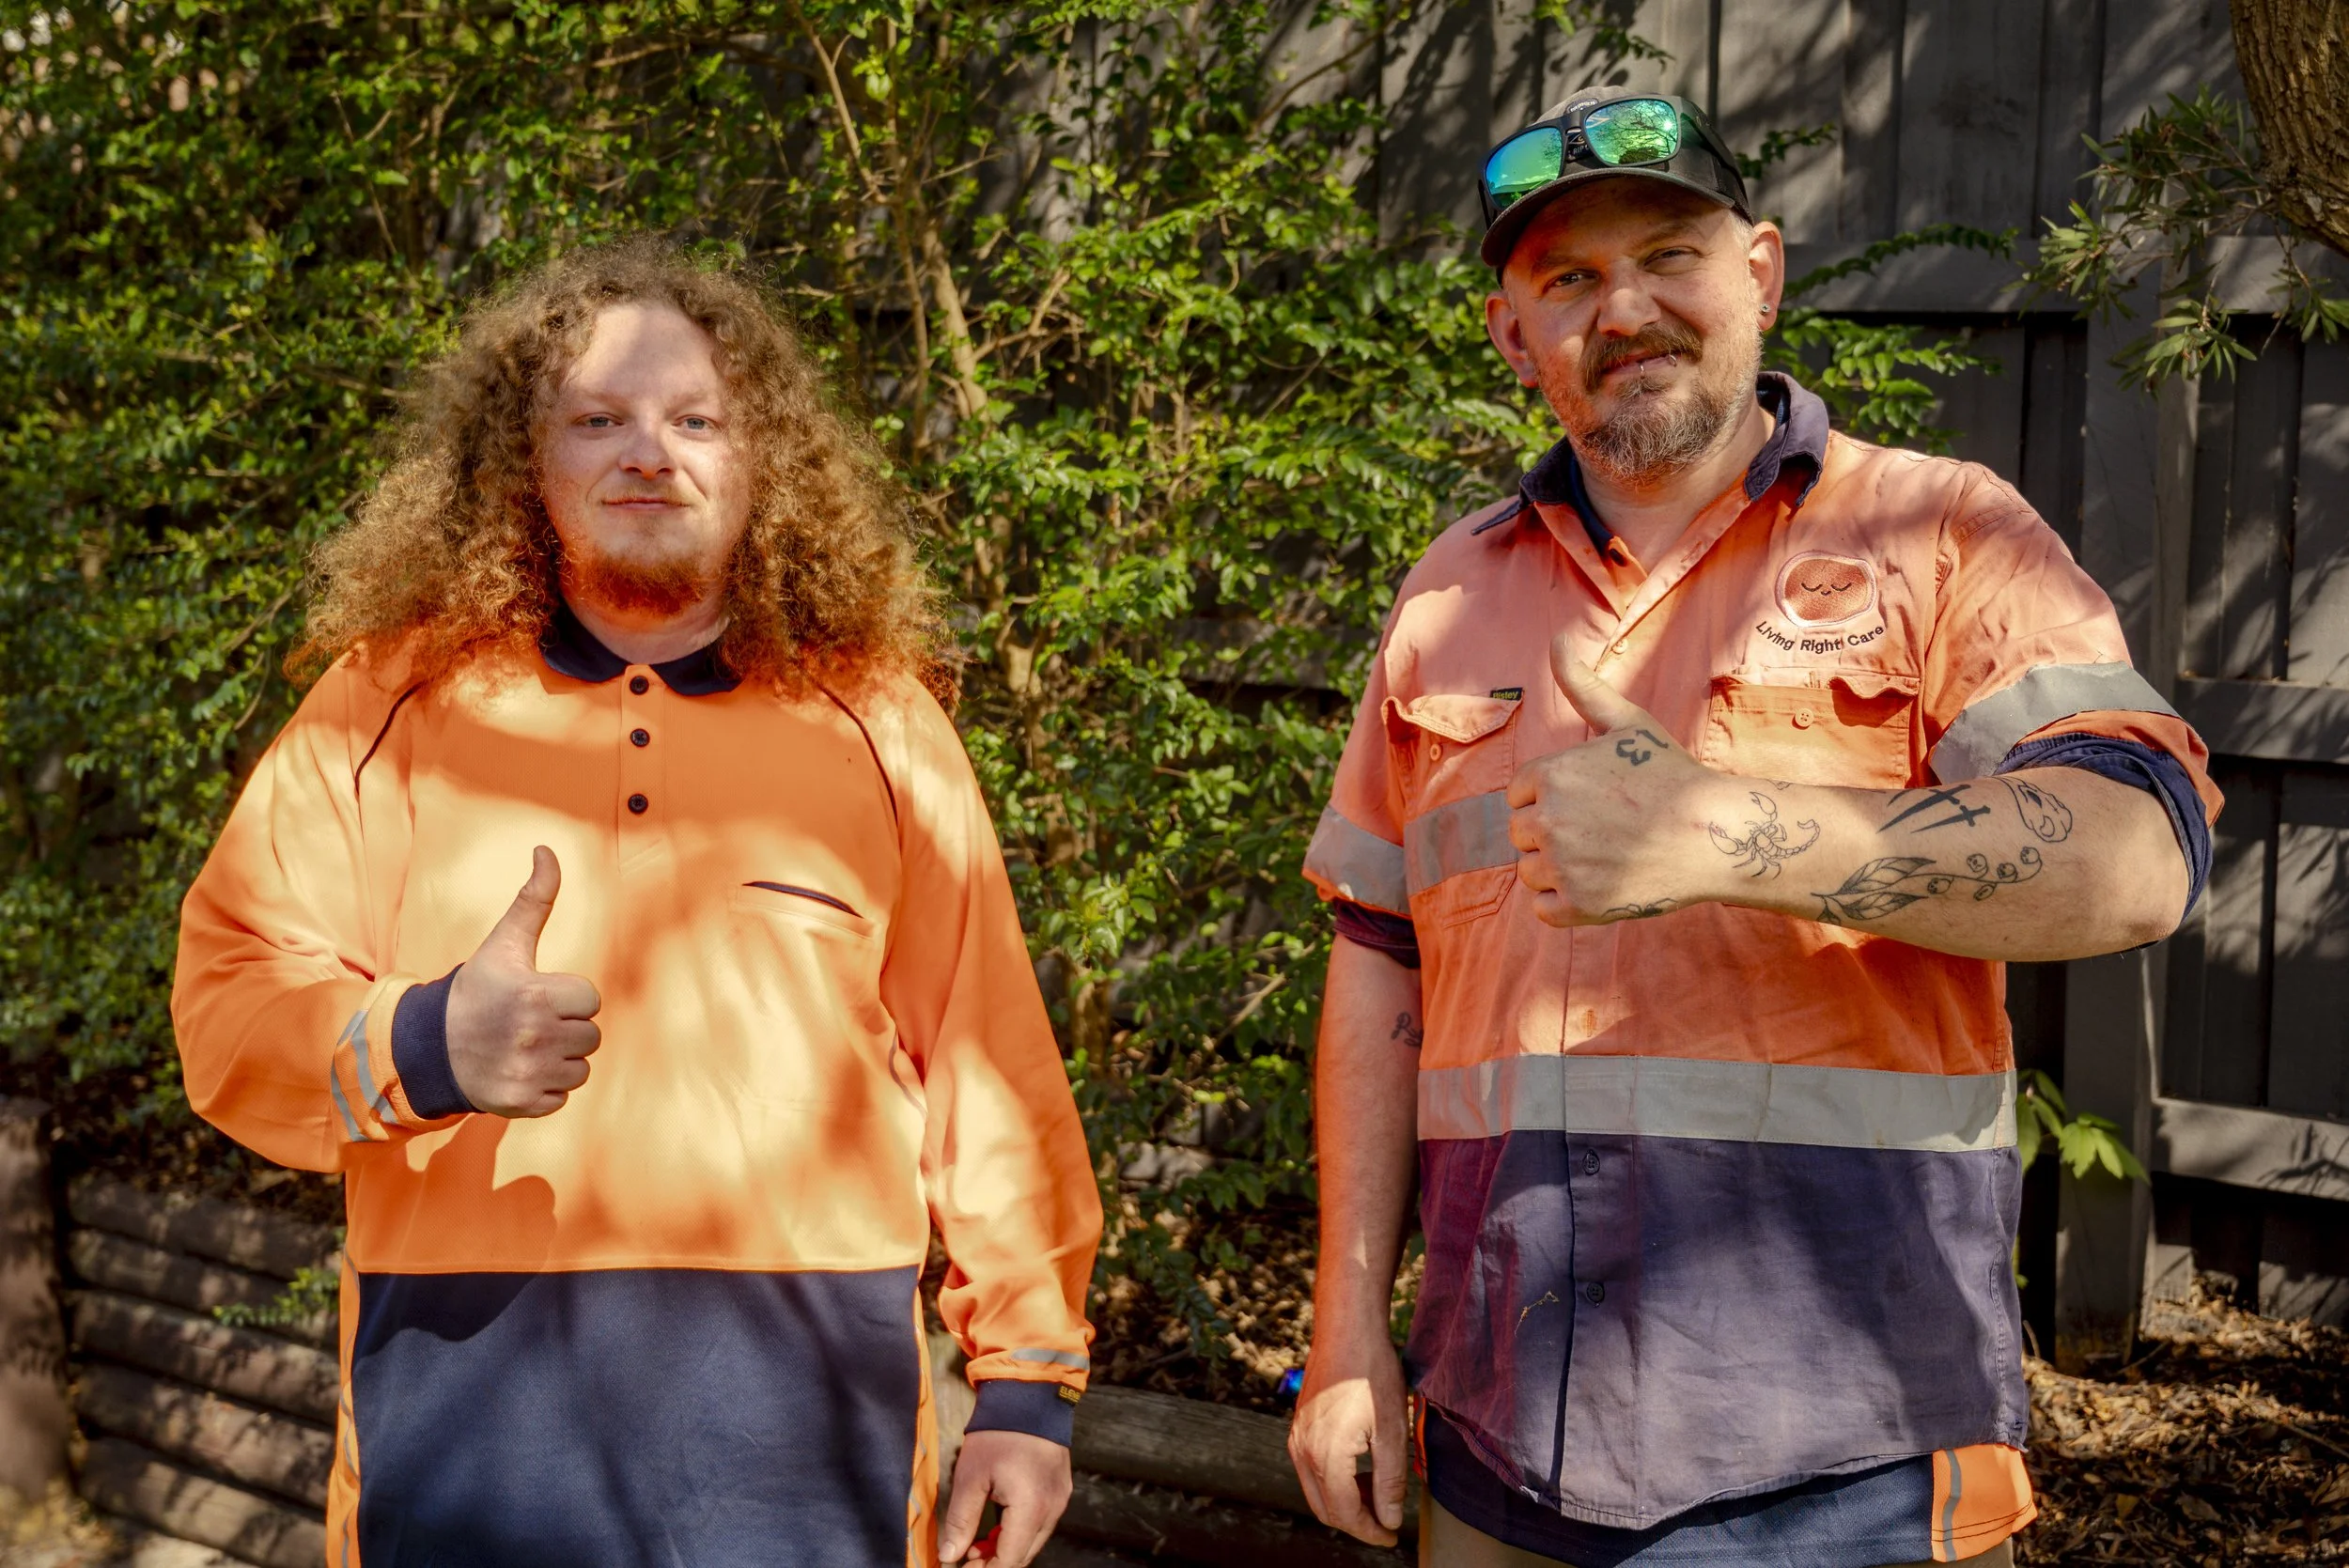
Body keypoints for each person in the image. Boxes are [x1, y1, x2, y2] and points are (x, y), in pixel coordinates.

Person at [1284, 90, 2218, 1568]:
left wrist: (1728, 835)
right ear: (1510, 336)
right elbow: (1377, 964)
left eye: (1672, 255)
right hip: (1494, 1441)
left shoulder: (1940, 532)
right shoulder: (1447, 595)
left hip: (1842, 1456)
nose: (1628, 307)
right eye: (1569, 280)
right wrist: (1346, 1338)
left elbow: (2140, 855)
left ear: (1764, 274)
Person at [172, 241, 1100, 1568]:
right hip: (460, 1406)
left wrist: (1024, 1383)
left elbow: (987, 1060)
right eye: (596, 420)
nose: (647, 454)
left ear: (760, 458)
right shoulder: (387, 706)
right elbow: (228, 995)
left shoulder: (880, 721)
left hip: (805, 1424)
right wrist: (423, 1043)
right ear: (523, 465)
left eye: (694, 420)